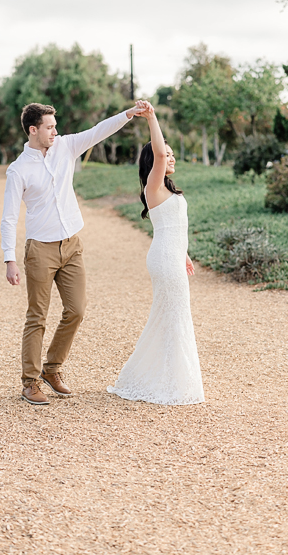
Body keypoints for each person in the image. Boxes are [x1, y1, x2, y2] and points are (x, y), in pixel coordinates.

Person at [1, 101, 148, 406]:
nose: (55, 131)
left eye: (55, 126)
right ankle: (30, 382)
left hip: (71, 245)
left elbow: (98, 131)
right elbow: (9, 217)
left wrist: (128, 114)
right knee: (37, 316)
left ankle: (51, 368)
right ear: (33, 130)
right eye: (49, 127)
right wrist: (9, 258)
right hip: (40, 249)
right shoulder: (18, 170)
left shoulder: (65, 147)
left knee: (77, 310)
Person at [107, 101, 205, 405]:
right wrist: (152, 117)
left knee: (172, 315)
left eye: (173, 153)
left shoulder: (167, 189)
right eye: (166, 153)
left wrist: (184, 254)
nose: (170, 156)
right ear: (154, 161)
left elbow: (174, 225)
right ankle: (170, 382)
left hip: (172, 256)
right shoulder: (154, 185)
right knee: (175, 316)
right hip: (164, 259)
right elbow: (159, 154)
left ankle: (165, 377)